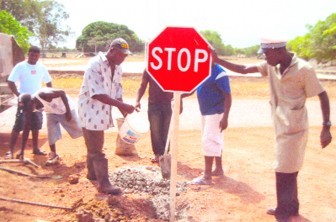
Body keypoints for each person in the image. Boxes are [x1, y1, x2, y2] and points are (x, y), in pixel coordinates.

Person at [211, 38, 332, 221]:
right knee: (289, 167)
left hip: (296, 128)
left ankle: (283, 212)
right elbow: (243, 70)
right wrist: (218, 60)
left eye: (267, 53)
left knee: (283, 169)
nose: (265, 57)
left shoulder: (304, 69)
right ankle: (292, 207)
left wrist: (326, 127)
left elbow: (322, 95)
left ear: (278, 51)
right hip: (281, 126)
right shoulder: (272, 66)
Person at [78, 38, 135, 195]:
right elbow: (97, 94)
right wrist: (122, 106)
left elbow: (117, 93)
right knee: (97, 147)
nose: (123, 58)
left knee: (93, 144)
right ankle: (104, 184)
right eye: (121, 55)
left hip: (103, 111)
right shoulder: (94, 65)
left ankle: (92, 174)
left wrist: (127, 115)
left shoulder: (117, 69)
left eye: (125, 56)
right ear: (112, 51)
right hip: (90, 109)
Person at [6, 46, 52, 159]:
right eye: (32, 55)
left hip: (37, 101)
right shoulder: (20, 66)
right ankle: (10, 150)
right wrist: (19, 95)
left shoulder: (41, 67)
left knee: (36, 125)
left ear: (38, 56)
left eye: (36, 55)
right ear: (28, 54)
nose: (33, 57)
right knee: (19, 124)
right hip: (24, 101)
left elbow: (49, 82)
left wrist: (46, 96)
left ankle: (35, 149)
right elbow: (11, 81)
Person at [16, 88, 82, 165]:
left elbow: (62, 93)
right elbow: (27, 127)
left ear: (31, 102)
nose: (27, 110)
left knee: (78, 129)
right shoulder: (29, 108)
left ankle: (93, 147)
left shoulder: (43, 94)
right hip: (51, 112)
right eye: (25, 109)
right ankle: (54, 155)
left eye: (27, 108)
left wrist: (68, 111)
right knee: (51, 132)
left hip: (65, 109)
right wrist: (22, 150)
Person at [191, 61, 232, 185]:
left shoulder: (219, 73)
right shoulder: (202, 70)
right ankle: (218, 169)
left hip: (216, 112)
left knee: (209, 141)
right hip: (206, 112)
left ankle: (207, 177)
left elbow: (228, 96)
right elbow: (192, 87)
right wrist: (179, 96)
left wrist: (225, 117)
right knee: (216, 139)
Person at [135, 69, 173, 163]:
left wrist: (180, 101)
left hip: (168, 103)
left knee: (167, 129)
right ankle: (157, 153)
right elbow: (142, 86)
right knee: (155, 129)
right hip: (154, 104)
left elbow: (178, 87)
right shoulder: (149, 68)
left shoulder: (171, 66)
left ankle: (165, 153)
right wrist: (137, 100)